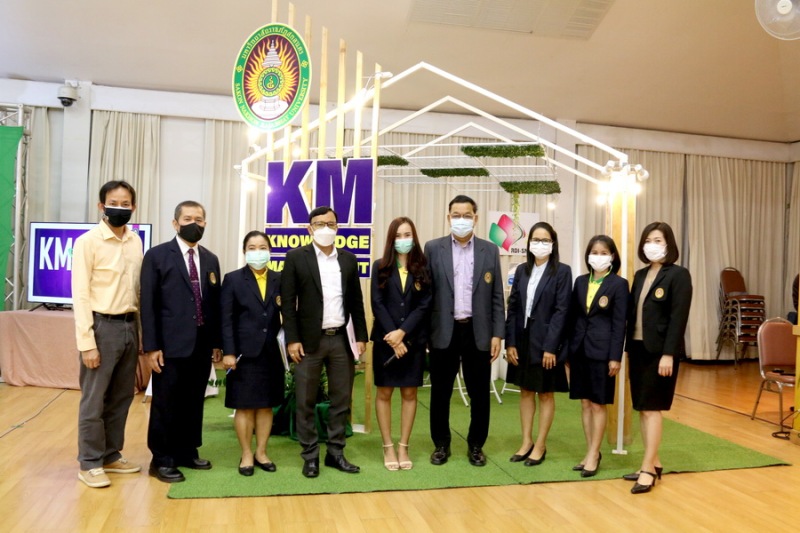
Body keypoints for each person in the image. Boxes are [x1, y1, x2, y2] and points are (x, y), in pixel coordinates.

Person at [280, 206, 368, 478]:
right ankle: (310, 456)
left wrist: (361, 336)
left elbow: (356, 301)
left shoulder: (348, 260)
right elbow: (288, 304)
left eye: (330, 223)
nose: (325, 228)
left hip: (340, 339)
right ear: (310, 229)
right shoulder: (296, 258)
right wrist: (292, 339)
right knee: (305, 400)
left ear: (337, 227)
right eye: (319, 224)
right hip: (308, 342)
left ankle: (335, 452)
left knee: (341, 399)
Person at [140, 200, 223, 483]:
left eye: (199, 219)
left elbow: (213, 304)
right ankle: (161, 459)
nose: (193, 224)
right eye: (187, 219)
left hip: (201, 344)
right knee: (166, 402)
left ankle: (187, 450)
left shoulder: (211, 259)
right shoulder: (157, 256)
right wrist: (151, 347)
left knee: (193, 400)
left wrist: (216, 342)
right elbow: (148, 304)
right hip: (169, 344)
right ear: (175, 223)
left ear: (205, 224)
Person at [72, 180, 143, 488]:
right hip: (102, 327)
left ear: (133, 207)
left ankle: (111, 455)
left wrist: (143, 335)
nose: (120, 208)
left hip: (130, 325)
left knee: (122, 396)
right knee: (94, 400)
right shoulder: (87, 242)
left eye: (126, 204)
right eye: (114, 203)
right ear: (101, 206)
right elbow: (80, 295)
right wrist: (87, 343)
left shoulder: (135, 241)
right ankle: (89, 462)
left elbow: (138, 290)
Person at [424, 195, 505, 467]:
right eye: (456, 215)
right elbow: (426, 295)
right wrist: (425, 333)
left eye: (467, 215)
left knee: (480, 394)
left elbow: (497, 296)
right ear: (448, 218)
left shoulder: (489, 250)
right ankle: (441, 444)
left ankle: (476, 445)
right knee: (440, 392)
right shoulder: (433, 248)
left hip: (477, 332)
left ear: (475, 218)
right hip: (443, 331)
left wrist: (497, 334)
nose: (461, 220)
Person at [623, 221, 692, 494]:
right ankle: (654, 461)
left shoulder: (678, 275)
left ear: (668, 244)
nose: (652, 245)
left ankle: (647, 469)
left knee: (653, 408)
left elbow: (678, 318)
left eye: (658, 241)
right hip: (637, 348)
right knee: (642, 407)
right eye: (648, 240)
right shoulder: (640, 275)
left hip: (660, 352)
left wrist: (668, 354)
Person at [505, 222, 572, 467]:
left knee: (545, 393)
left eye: (545, 240)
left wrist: (551, 347)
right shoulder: (522, 270)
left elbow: (562, 311)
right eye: (535, 239)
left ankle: (540, 444)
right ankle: (526, 441)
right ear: (529, 243)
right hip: (522, 341)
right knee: (525, 391)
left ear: (553, 243)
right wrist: (510, 342)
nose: (539, 244)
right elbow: (513, 307)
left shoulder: (562, 271)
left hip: (546, 345)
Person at [370, 217, 432, 471]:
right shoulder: (380, 266)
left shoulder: (423, 268)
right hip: (385, 341)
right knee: (384, 393)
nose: (403, 240)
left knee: (409, 393)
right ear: (391, 239)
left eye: (407, 235)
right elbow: (377, 303)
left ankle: (403, 446)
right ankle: (387, 446)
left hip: (413, 341)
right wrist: (394, 336)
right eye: (398, 235)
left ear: (414, 238)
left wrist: (403, 333)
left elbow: (425, 304)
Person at [221, 231, 283, 476]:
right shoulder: (233, 279)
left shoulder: (280, 278)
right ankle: (246, 453)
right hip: (243, 354)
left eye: (262, 247)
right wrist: (228, 352)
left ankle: (261, 452)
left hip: (271, 352)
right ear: (244, 251)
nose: (258, 252)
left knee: (266, 405)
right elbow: (226, 319)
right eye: (252, 247)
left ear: (270, 251)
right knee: (244, 406)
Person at [567, 235, 628, 477]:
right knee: (584, 403)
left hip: (603, 353)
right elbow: (573, 318)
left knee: (597, 403)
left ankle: (594, 453)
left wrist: (616, 357)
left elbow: (619, 324)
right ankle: (590, 450)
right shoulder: (581, 281)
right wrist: (568, 352)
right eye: (594, 252)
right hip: (579, 350)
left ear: (612, 256)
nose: (598, 257)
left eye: (604, 253)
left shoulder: (619, 284)